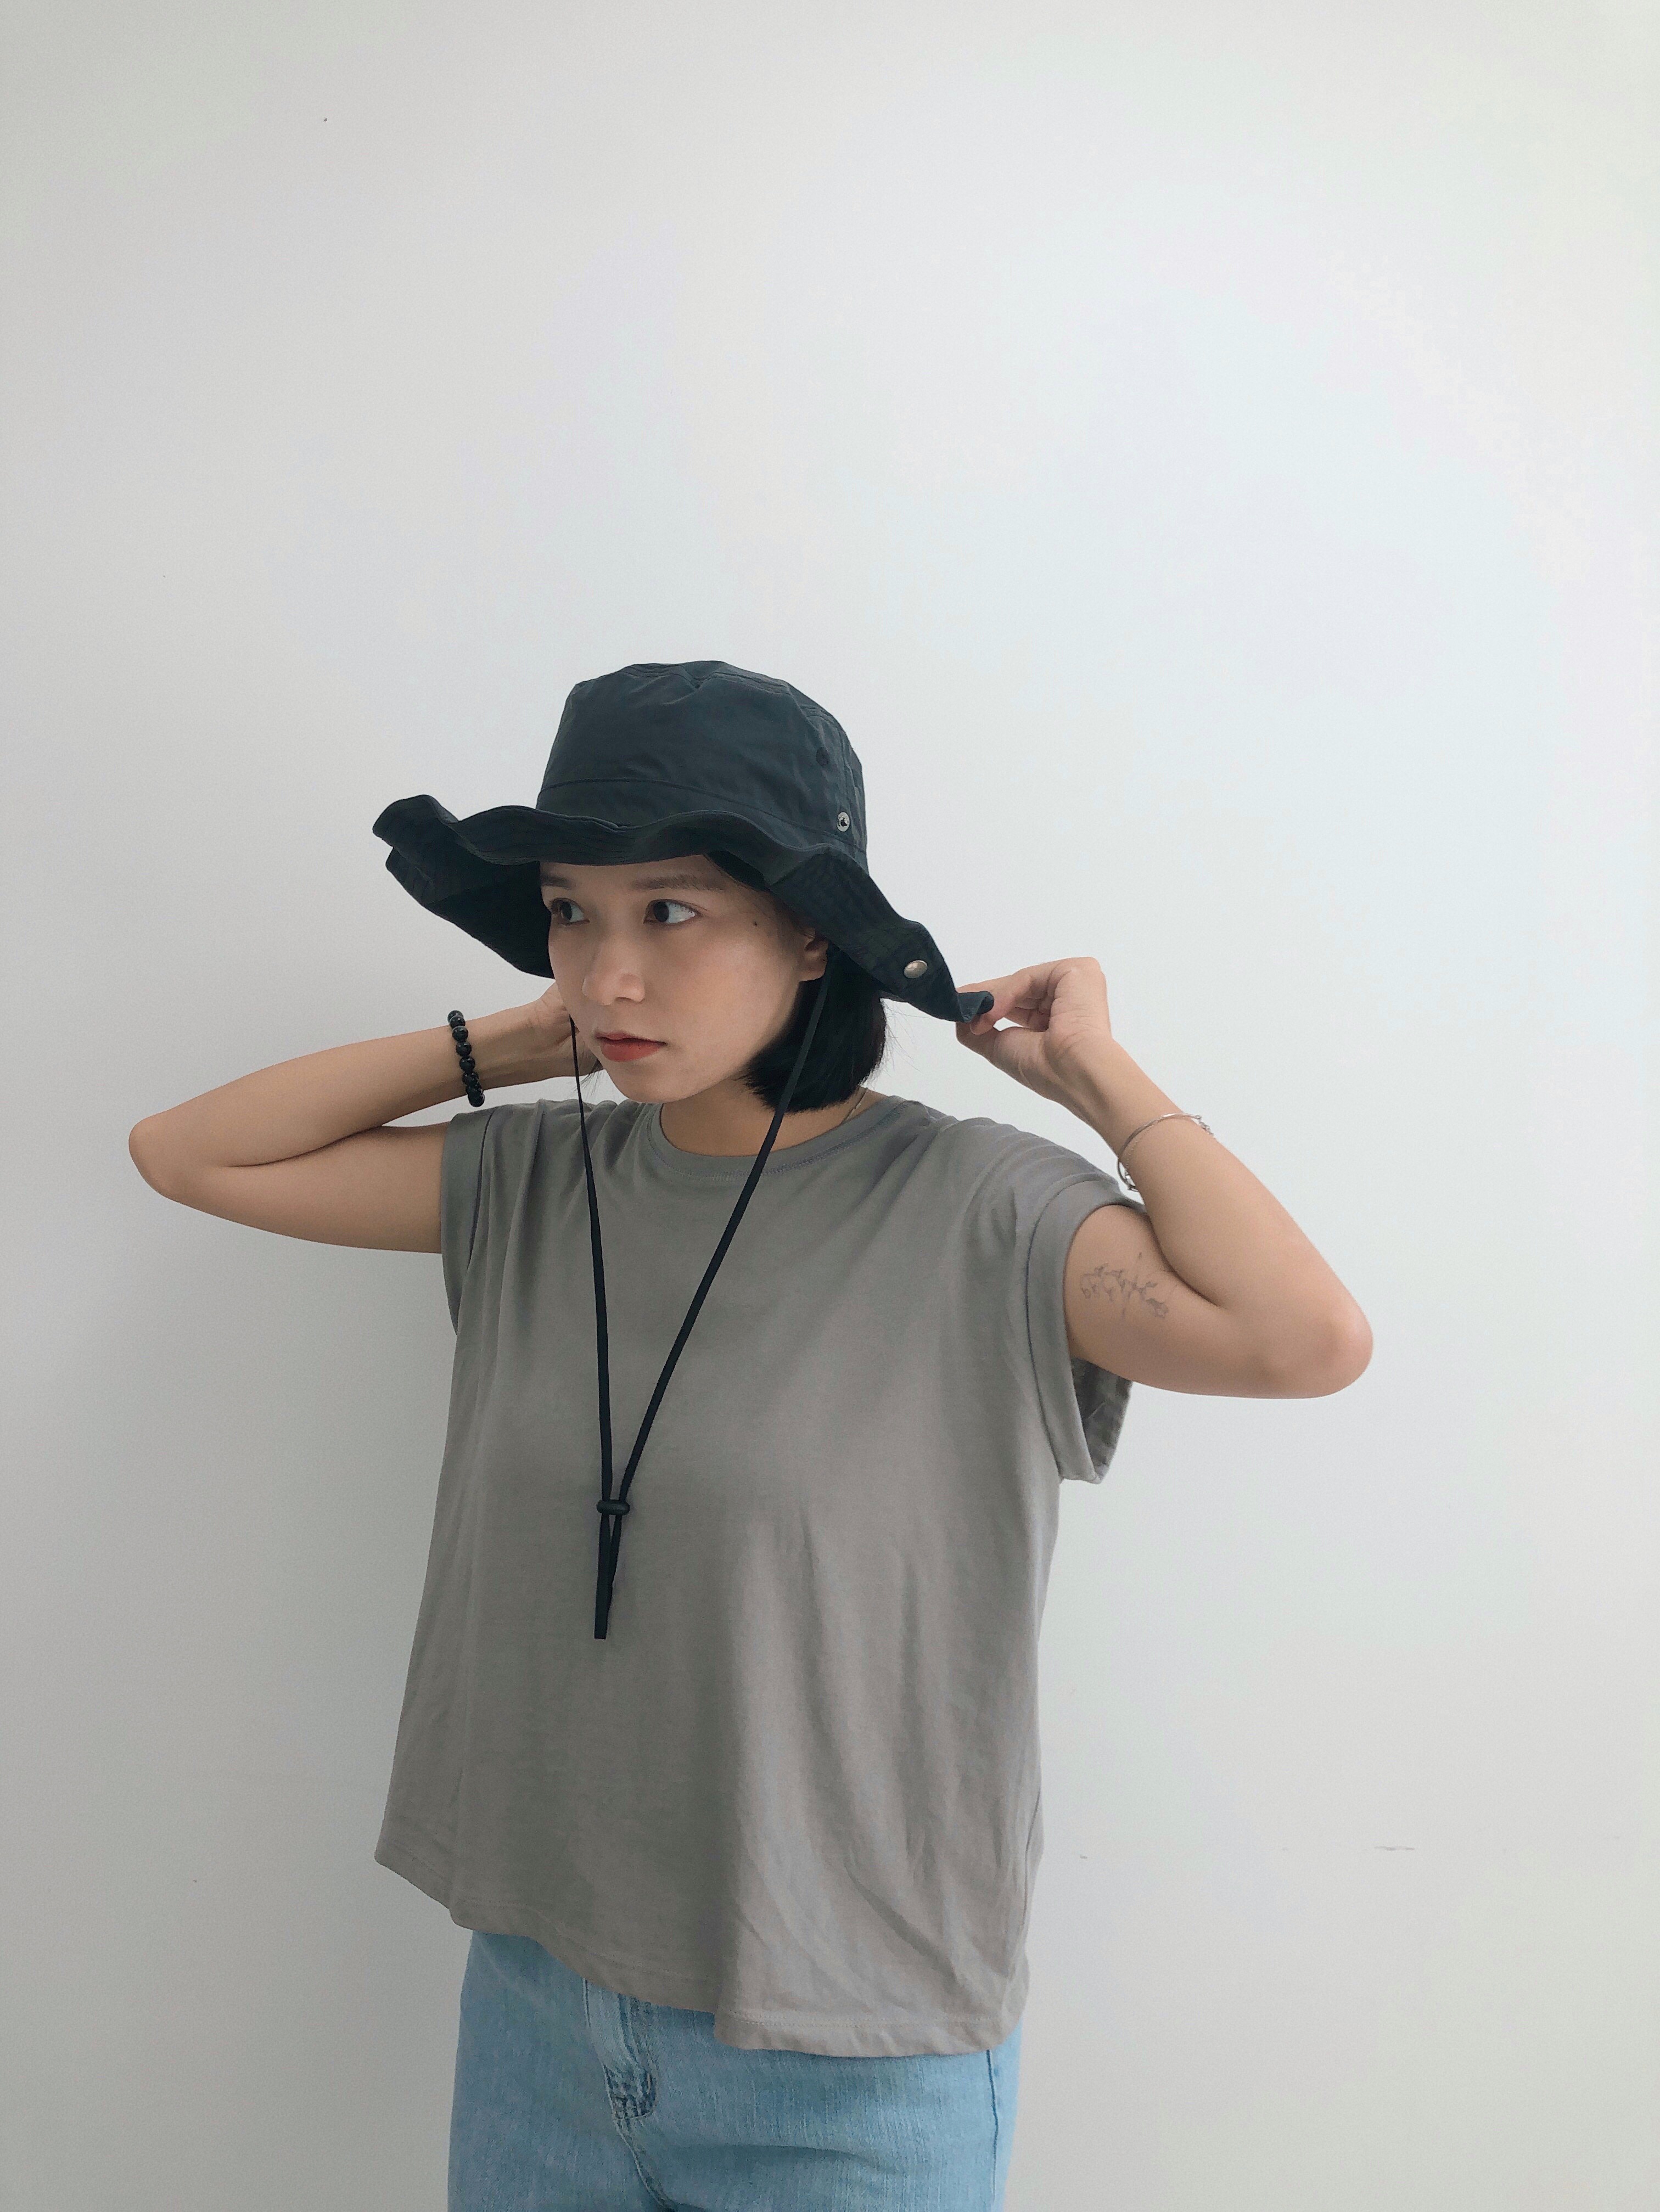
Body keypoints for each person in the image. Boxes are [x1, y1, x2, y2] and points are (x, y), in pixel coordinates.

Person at [128, 660, 1371, 2212]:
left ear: (809, 933)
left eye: (672, 912)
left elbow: (1303, 1341)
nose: (611, 972)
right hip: (538, 2013)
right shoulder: (537, 1184)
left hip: (847, 2061)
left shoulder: (977, 1208)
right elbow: (188, 1155)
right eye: (570, 912)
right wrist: (512, 1048)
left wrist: (1096, 1079)